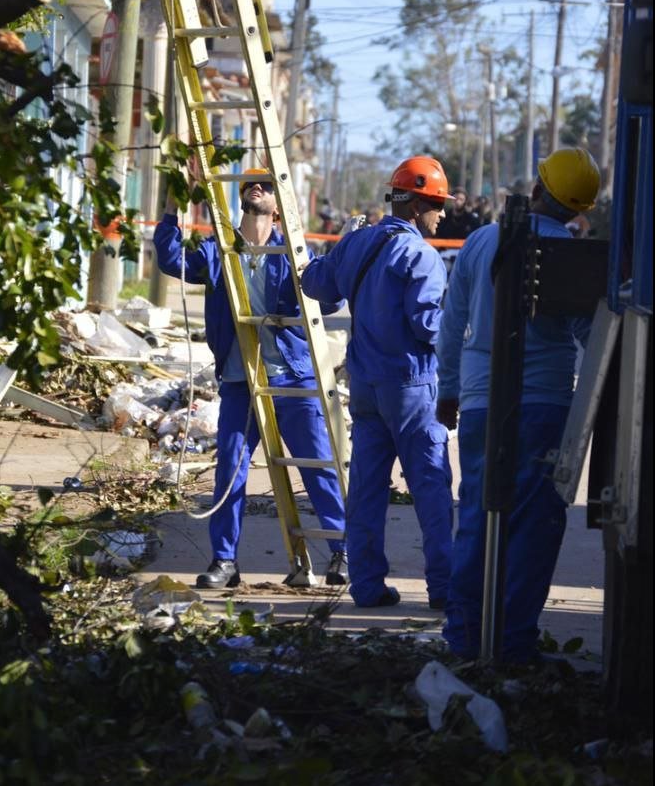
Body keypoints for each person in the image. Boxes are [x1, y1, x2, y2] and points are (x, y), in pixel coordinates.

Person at [436, 147, 601, 662]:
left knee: (480, 516)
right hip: (545, 406)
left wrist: (449, 388)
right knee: (533, 526)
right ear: (578, 211)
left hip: (483, 403)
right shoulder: (570, 254)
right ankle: (511, 643)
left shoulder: (481, 240)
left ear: (535, 188)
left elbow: (452, 319)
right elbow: (587, 332)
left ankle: (464, 638)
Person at [154, 169, 348, 589]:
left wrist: (321, 270)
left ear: (279, 207)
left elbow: (329, 299)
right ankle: (225, 562)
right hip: (241, 382)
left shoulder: (293, 250)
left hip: (291, 380)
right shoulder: (220, 250)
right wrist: (175, 202)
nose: (255, 187)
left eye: (265, 184)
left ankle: (342, 552)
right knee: (230, 470)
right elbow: (171, 259)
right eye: (248, 184)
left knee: (317, 467)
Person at [301, 157, 455, 609]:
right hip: (410, 387)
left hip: (365, 387)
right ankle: (444, 590)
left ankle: (367, 587)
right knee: (430, 488)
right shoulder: (421, 255)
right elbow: (429, 326)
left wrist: (342, 245)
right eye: (437, 205)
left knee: (367, 489)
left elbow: (315, 286)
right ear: (416, 205)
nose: (442, 214)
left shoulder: (357, 243)